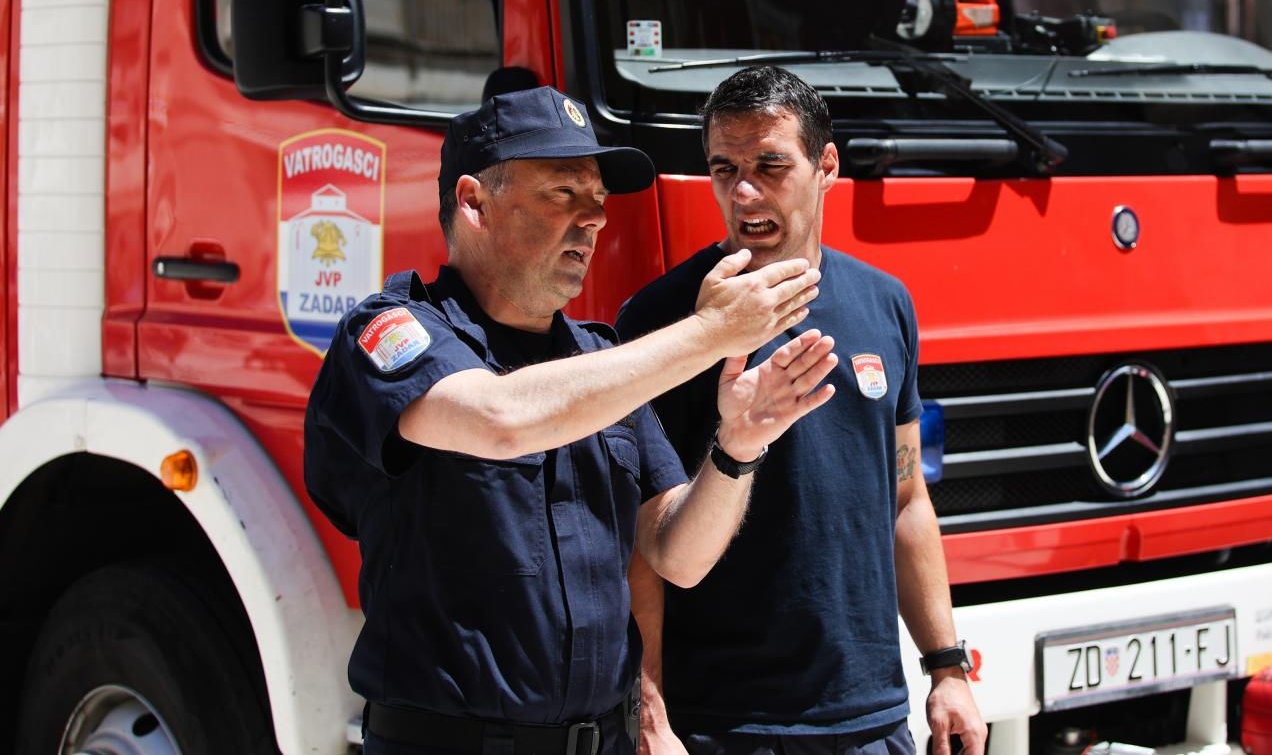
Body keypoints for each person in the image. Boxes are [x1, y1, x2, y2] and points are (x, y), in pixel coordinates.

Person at [304, 85, 840, 755]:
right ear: (473, 202)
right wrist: (708, 333)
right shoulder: (392, 332)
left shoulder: (600, 359)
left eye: (598, 201)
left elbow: (678, 556)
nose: (593, 220)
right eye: (563, 193)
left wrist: (738, 447)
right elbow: (500, 419)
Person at [617, 67, 987, 755]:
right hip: (728, 726)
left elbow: (906, 500)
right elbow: (640, 543)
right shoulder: (664, 319)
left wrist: (946, 668)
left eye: (769, 165)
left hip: (874, 720)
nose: (744, 192)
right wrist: (649, 712)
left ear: (827, 166)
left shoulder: (886, 302)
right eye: (723, 168)